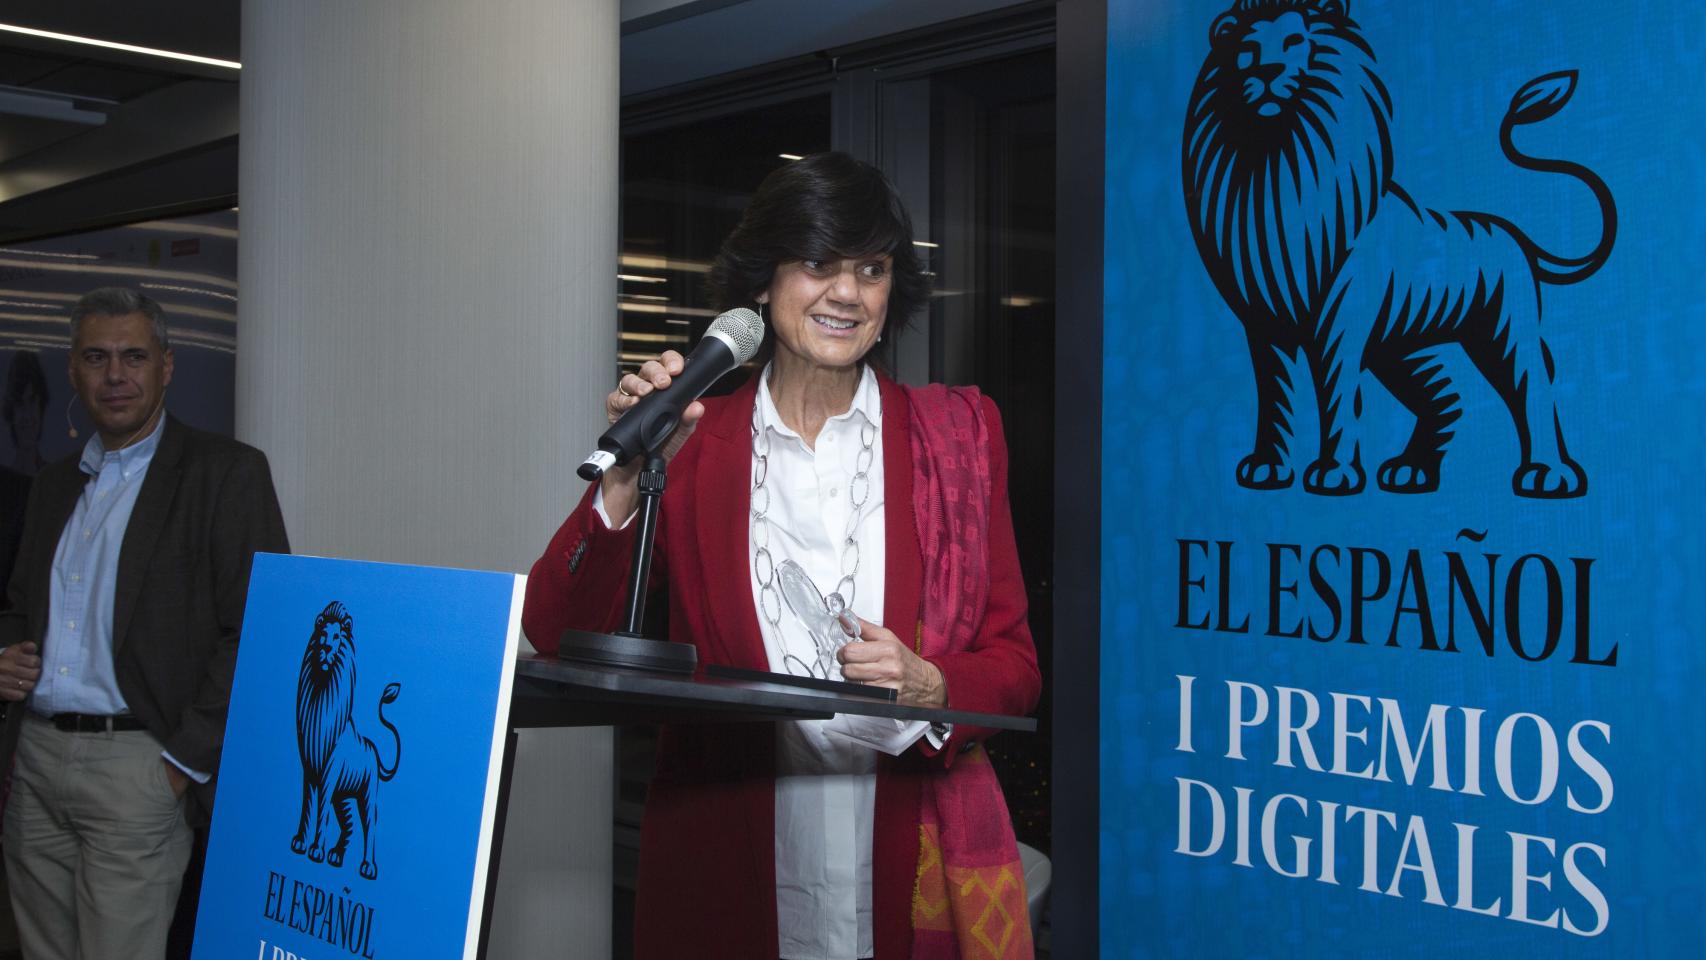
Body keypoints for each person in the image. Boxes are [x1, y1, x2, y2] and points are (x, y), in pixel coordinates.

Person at [523, 153, 1040, 959]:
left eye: (871, 269)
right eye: (816, 264)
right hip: (727, 860)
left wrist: (932, 682)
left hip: (906, 858)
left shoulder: (958, 439)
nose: (847, 292)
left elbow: (1013, 663)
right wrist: (627, 476)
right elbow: (555, 629)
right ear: (761, 283)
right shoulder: (691, 438)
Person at [0, 288, 289, 960]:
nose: (115, 375)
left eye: (134, 356)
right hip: (37, 761)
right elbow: (20, 601)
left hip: (141, 763)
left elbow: (257, 628)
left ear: (167, 366)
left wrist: (183, 762)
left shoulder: (225, 473)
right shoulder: (53, 484)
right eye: (96, 357)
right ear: (72, 371)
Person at [1, 351, 50, 607]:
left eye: (33, 402)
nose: (27, 416)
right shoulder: (10, 488)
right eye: (20, 404)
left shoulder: (57, 483)